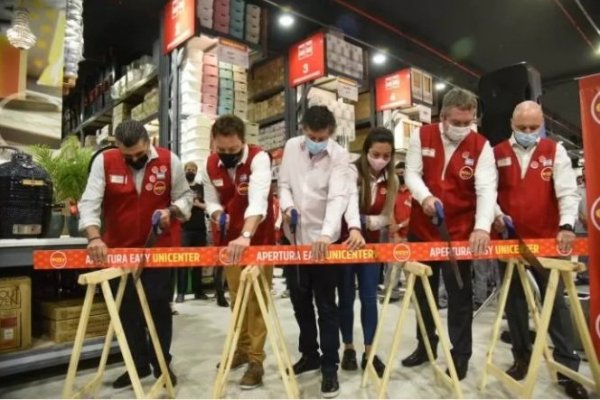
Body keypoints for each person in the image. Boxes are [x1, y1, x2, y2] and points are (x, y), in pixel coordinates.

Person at [79, 120, 193, 389]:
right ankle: (136, 366)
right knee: (125, 309)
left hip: (160, 249)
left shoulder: (169, 160)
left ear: (149, 142)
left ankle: (162, 364)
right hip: (118, 249)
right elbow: (90, 202)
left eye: (140, 155)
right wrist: (94, 237)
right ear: (117, 147)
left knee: (157, 305)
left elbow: (186, 197)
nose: (134, 160)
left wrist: (172, 211)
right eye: (127, 156)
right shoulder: (104, 162)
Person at [492, 101, 587, 398]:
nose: (528, 133)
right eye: (522, 128)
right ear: (512, 123)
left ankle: (566, 367)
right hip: (510, 242)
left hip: (547, 242)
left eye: (534, 128)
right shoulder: (496, 153)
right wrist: (495, 215)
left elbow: (567, 192)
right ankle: (521, 357)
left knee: (555, 304)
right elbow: (487, 192)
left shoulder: (554, 151)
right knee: (516, 304)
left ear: (542, 124)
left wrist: (567, 226)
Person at [402, 88, 497, 380]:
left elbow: (485, 189)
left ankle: (460, 355)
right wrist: (425, 197)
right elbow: (411, 173)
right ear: (442, 117)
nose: (461, 128)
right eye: (456, 122)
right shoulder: (422, 136)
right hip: (422, 230)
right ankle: (426, 345)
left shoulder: (482, 146)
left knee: (459, 297)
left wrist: (481, 226)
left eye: (467, 122)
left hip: (458, 235)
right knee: (423, 293)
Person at [279, 105, 352, 398]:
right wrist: (288, 207)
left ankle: (329, 364)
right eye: (311, 136)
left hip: (325, 242)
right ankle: (309, 353)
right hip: (294, 238)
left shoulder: (340, 156)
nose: (315, 142)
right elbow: (283, 185)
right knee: (299, 301)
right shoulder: (290, 147)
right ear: (302, 130)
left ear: (331, 134)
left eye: (321, 138)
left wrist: (325, 233)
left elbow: (337, 198)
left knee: (326, 305)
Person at [201, 114, 275, 390]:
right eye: (222, 150)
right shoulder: (209, 164)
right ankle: (242, 350)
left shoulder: (259, 158)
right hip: (228, 241)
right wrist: (217, 211)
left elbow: (258, 199)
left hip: (257, 240)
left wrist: (246, 235)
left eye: (233, 150)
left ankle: (256, 361)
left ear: (243, 142)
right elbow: (210, 199)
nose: (227, 154)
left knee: (256, 301)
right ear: (214, 144)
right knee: (237, 299)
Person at [339, 127, 397, 377]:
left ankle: (370, 351)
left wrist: (372, 222)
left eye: (386, 156)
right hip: (345, 245)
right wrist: (358, 222)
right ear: (365, 152)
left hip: (372, 248)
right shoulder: (350, 173)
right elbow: (339, 206)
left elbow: (388, 217)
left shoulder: (392, 180)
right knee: (345, 297)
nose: (381, 160)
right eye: (376, 154)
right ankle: (349, 347)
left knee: (370, 299)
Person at [175, 161, 207, 303]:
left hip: (200, 228)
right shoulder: (180, 188)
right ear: (184, 170)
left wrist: (197, 204)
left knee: (198, 262)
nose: (190, 171)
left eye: (193, 169)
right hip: (184, 229)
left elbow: (208, 205)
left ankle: (198, 291)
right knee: (183, 262)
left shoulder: (201, 188)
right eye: (188, 169)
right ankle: (181, 293)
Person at [384, 161, 412, 302]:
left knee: (411, 268)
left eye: (402, 173)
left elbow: (414, 215)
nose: (400, 176)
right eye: (398, 174)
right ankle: (391, 293)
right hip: (394, 236)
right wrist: (395, 232)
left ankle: (413, 294)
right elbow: (389, 211)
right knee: (392, 267)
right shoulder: (392, 192)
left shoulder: (414, 192)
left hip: (410, 235)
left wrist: (400, 226)